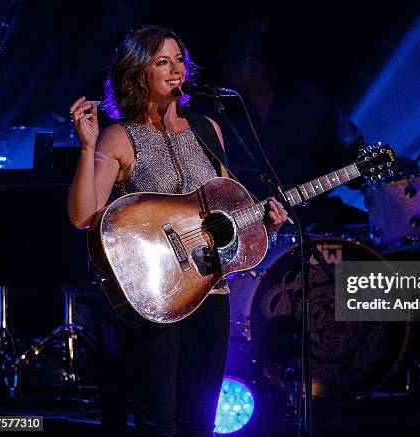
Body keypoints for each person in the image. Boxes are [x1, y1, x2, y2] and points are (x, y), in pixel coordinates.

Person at [66, 25, 287, 437]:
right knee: (159, 422)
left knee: (200, 421)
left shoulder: (207, 130)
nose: (175, 70)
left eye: (179, 60)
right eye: (162, 61)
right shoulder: (120, 137)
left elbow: (228, 209)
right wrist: (86, 146)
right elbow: (83, 216)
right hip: (155, 294)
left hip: (210, 291)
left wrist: (264, 223)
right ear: (138, 73)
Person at [192, 15, 368, 232]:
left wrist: (366, 168)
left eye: (239, 60)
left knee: (361, 237)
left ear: (263, 63)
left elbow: (350, 150)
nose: (230, 68)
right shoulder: (223, 112)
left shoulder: (308, 101)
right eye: (228, 62)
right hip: (254, 225)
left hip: (317, 219)